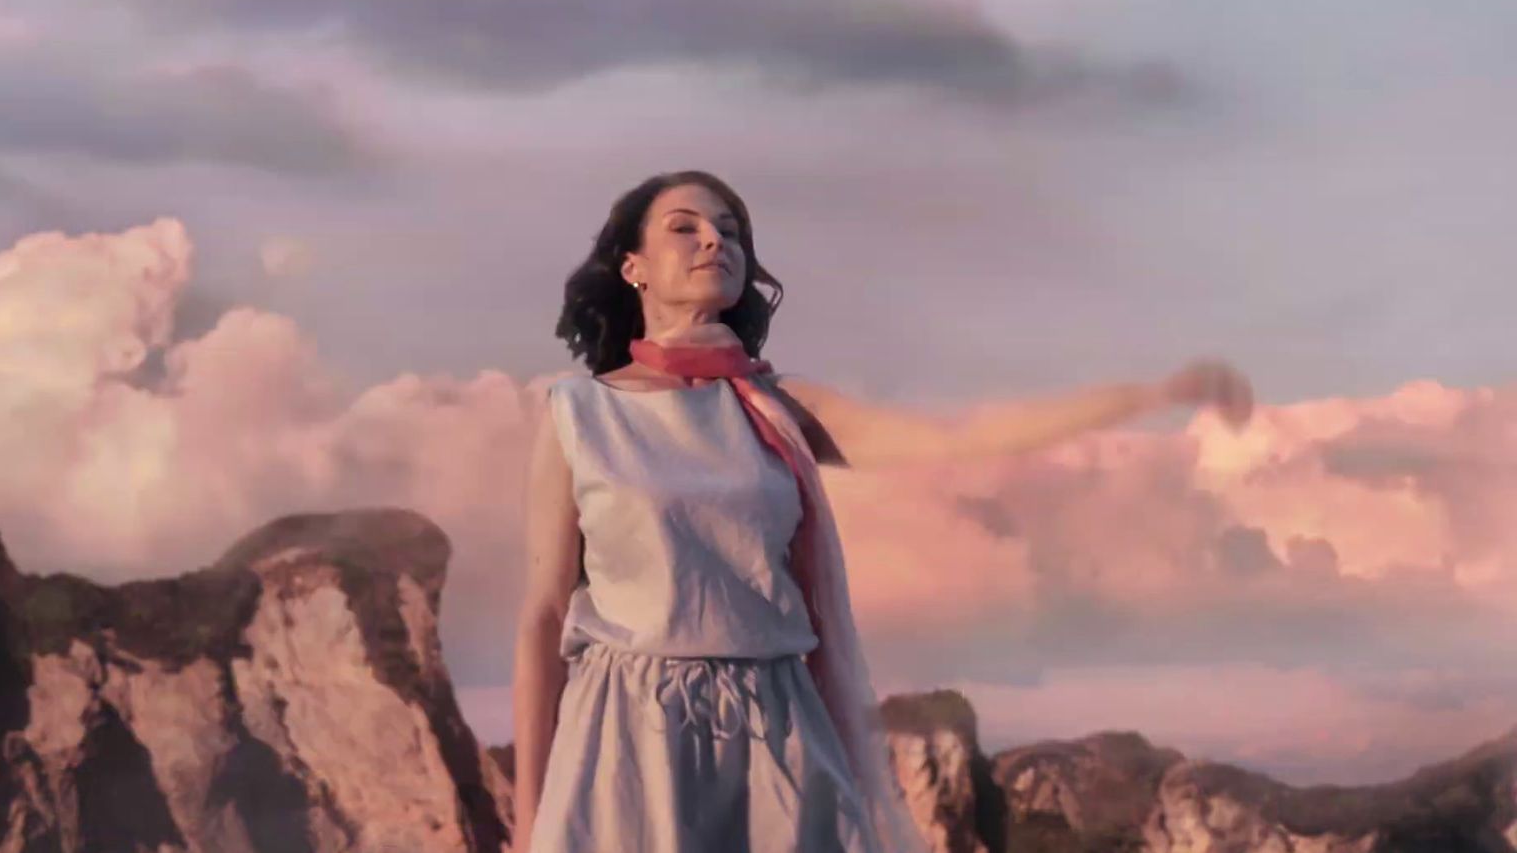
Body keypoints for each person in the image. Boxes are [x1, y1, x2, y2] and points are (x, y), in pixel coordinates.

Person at [511, 170, 1255, 852]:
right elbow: (544, 617)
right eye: (685, 225)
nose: (715, 239)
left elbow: (957, 435)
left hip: (777, 724)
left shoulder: (780, 405)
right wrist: (532, 817)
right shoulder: (579, 412)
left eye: (732, 230)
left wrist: (1145, 396)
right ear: (633, 266)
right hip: (626, 736)